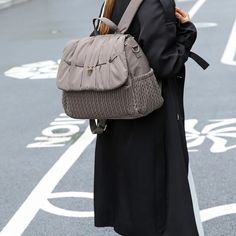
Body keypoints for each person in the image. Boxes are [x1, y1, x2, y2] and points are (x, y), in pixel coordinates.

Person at [90, 0, 204, 235]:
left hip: (117, 111)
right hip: (150, 113)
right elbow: (165, 63)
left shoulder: (112, 1)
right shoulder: (155, 2)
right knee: (159, 203)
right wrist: (187, 32)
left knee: (133, 202)